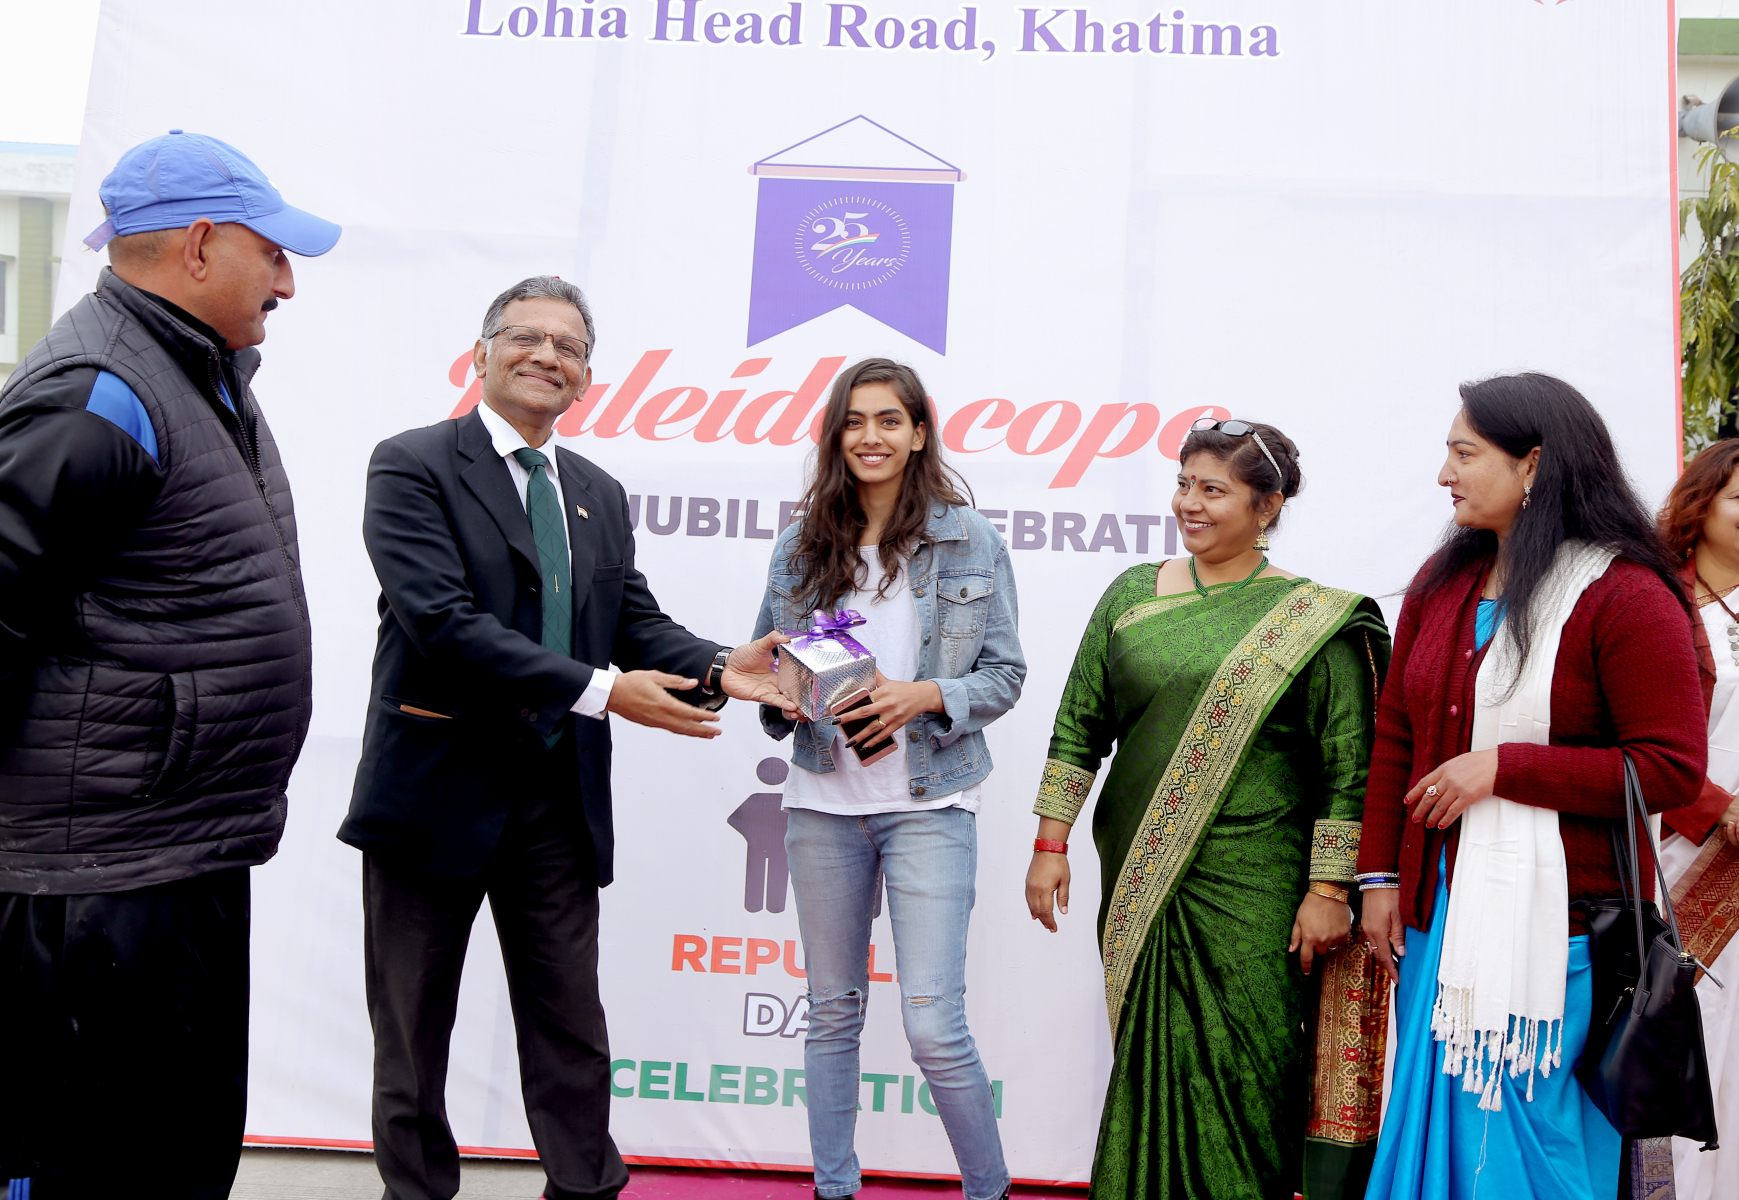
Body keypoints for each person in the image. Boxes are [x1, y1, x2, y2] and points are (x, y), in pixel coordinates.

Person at [337, 276, 793, 1200]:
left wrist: (720, 665)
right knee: (412, 1030)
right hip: (434, 791)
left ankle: (584, 1190)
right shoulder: (412, 464)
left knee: (570, 1027)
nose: (547, 356)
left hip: (556, 798)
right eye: (526, 337)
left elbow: (632, 623)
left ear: (587, 377)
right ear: (481, 353)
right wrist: (604, 690)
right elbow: (444, 625)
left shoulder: (595, 491)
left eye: (570, 347)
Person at [0, 130, 339, 1196]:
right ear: (197, 245)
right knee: (86, 1162)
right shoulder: (98, 391)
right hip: (99, 876)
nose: (287, 281)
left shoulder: (193, 371)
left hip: (174, 854)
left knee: (175, 1154)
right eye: (271, 253)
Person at [1359, 373, 1708, 1200]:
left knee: (1535, 1139)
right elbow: (1395, 737)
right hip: (1438, 915)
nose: (1444, 474)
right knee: (1441, 1122)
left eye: (1463, 453)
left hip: (1559, 930)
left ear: (1533, 465)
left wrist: (1504, 769)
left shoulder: (1625, 594)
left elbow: (1667, 767)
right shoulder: (1444, 584)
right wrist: (1377, 876)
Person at [1024, 417, 1391, 1200]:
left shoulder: (1311, 622)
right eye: (1183, 484)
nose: (1189, 503)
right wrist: (1049, 844)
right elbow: (1079, 723)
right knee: (1149, 1056)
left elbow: (1348, 765)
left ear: (1267, 506)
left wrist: (1329, 889)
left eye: (1212, 490)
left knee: (1243, 1066)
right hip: (1141, 870)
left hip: (1257, 889)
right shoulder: (1130, 593)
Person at [751, 358, 1025, 1200]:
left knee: (933, 1024)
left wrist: (925, 695)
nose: (869, 436)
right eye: (853, 420)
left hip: (930, 804)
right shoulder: (800, 546)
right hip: (821, 805)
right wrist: (785, 696)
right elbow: (765, 672)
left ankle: (988, 1192)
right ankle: (833, 1189)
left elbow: (1005, 675)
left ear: (917, 433)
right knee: (831, 1012)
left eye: (888, 420)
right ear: (834, 434)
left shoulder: (968, 539)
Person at [1655, 440, 1739, 1200]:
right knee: (1700, 1034)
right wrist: (1720, 811)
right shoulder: (1659, 600)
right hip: (1689, 855)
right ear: (1702, 504)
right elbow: (1640, 739)